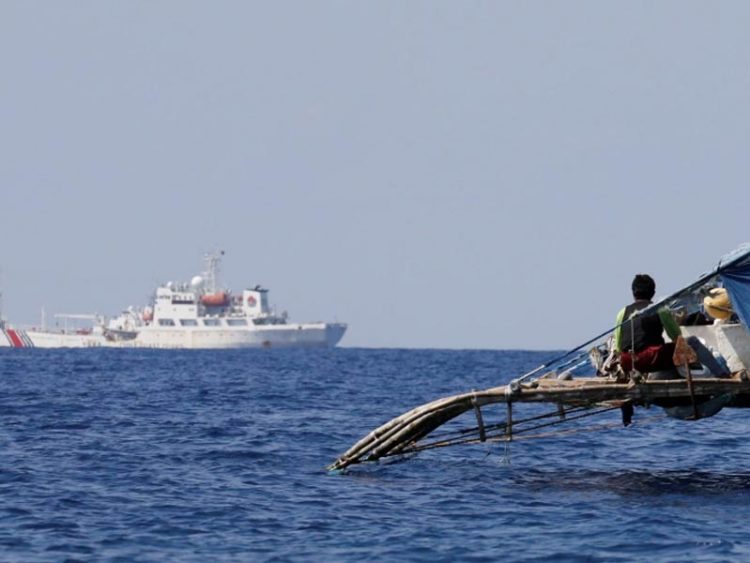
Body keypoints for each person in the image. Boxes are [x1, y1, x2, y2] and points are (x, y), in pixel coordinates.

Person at [613, 274, 729, 376]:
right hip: (652, 358)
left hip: (629, 362)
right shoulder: (660, 308)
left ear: (633, 292)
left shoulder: (621, 313)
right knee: (692, 342)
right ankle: (722, 374)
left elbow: (618, 347)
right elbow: (676, 337)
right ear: (653, 293)